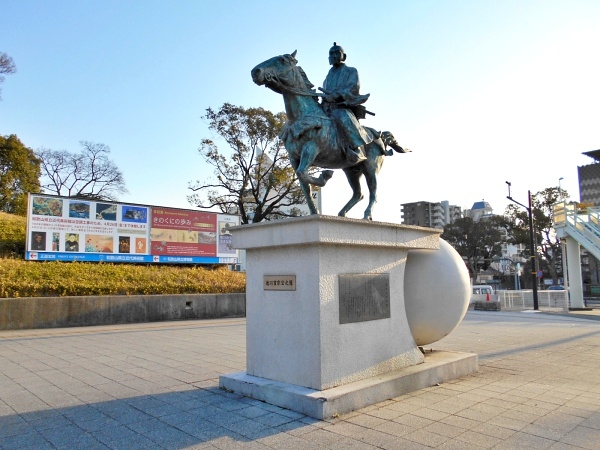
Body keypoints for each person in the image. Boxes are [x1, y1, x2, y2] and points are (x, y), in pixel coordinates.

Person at [321, 42, 372, 163]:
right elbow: (325, 89)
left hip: (341, 106)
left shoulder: (351, 71)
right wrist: (324, 97)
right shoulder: (329, 74)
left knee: (344, 117)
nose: (333, 56)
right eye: (331, 53)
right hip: (327, 107)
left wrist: (337, 95)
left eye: (336, 53)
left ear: (344, 56)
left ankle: (356, 147)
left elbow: (353, 86)